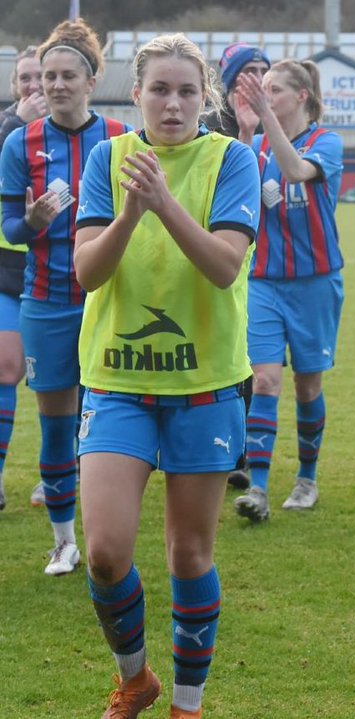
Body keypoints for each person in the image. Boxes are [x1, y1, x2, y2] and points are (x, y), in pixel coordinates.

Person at [72, 32, 259, 718]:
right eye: (160, 89)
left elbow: (223, 265)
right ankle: (135, 677)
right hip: (118, 380)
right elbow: (87, 272)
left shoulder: (230, 160)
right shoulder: (109, 159)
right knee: (105, 551)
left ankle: (187, 702)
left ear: (204, 97)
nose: (173, 103)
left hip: (205, 384)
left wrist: (164, 202)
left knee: (188, 553)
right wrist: (129, 211)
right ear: (137, 94)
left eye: (186, 91)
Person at [0, 20, 130, 574]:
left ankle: (111, 533)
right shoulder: (19, 143)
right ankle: (63, 540)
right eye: (48, 76)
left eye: (67, 75)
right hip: (48, 300)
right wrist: (29, 220)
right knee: (56, 422)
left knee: (107, 420)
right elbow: (7, 227)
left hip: (113, 300)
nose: (55, 85)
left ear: (91, 80)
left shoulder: (122, 137)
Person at [229, 59, 344, 521]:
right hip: (264, 283)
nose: (265, 96)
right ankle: (257, 489)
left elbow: (295, 170)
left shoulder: (326, 142)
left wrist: (266, 121)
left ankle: (306, 477)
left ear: (302, 96)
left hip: (315, 283)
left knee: (307, 383)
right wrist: (244, 131)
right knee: (264, 381)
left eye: (274, 90)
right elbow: (235, 188)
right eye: (263, 89)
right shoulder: (255, 146)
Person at [199, 42, 270, 492]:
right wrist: (246, 132)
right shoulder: (206, 128)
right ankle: (219, 451)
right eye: (248, 71)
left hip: (265, 269)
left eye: (264, 70)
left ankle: (237, 453)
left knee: (248, 364)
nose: (257, 80)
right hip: (216, 262)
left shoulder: (276, 120)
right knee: (218, 354)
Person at [0, 46, 46, 511]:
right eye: (26, 78)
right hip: (7, 272)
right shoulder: (8, 130)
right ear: (15, 85)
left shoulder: (74, 134)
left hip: (61, 273)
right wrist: (15, 124)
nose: (35, 86)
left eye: (42, 77)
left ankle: (55, 475)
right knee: (5, 368)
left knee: (62, 381)